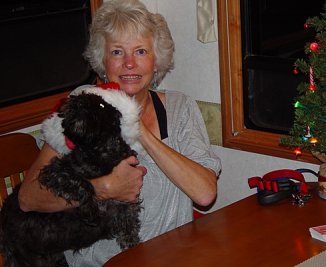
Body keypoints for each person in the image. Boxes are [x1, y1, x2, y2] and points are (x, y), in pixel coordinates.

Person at [18, 0, 221, 265]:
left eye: (140, 51)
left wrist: (139, 130)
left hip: (173, 256)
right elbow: (28, 198)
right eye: (116, 52)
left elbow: (205, 194)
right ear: (102, 60)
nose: (128, 64)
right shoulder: (81, 107)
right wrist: (103, 188)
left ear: (156, 60)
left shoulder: (180, 108)